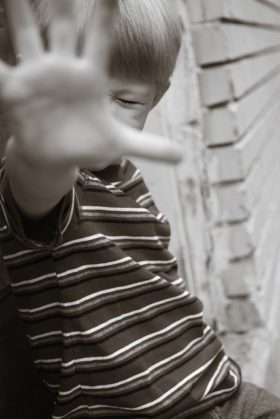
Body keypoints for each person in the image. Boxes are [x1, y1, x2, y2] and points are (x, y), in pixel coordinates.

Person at [0, 0, 279, 418]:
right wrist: (42, 144)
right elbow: (36, 181)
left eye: (127, 101)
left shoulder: (124, 174)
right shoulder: (58, 180)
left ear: (158, 96)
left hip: (218, 387)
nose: (100, 118)